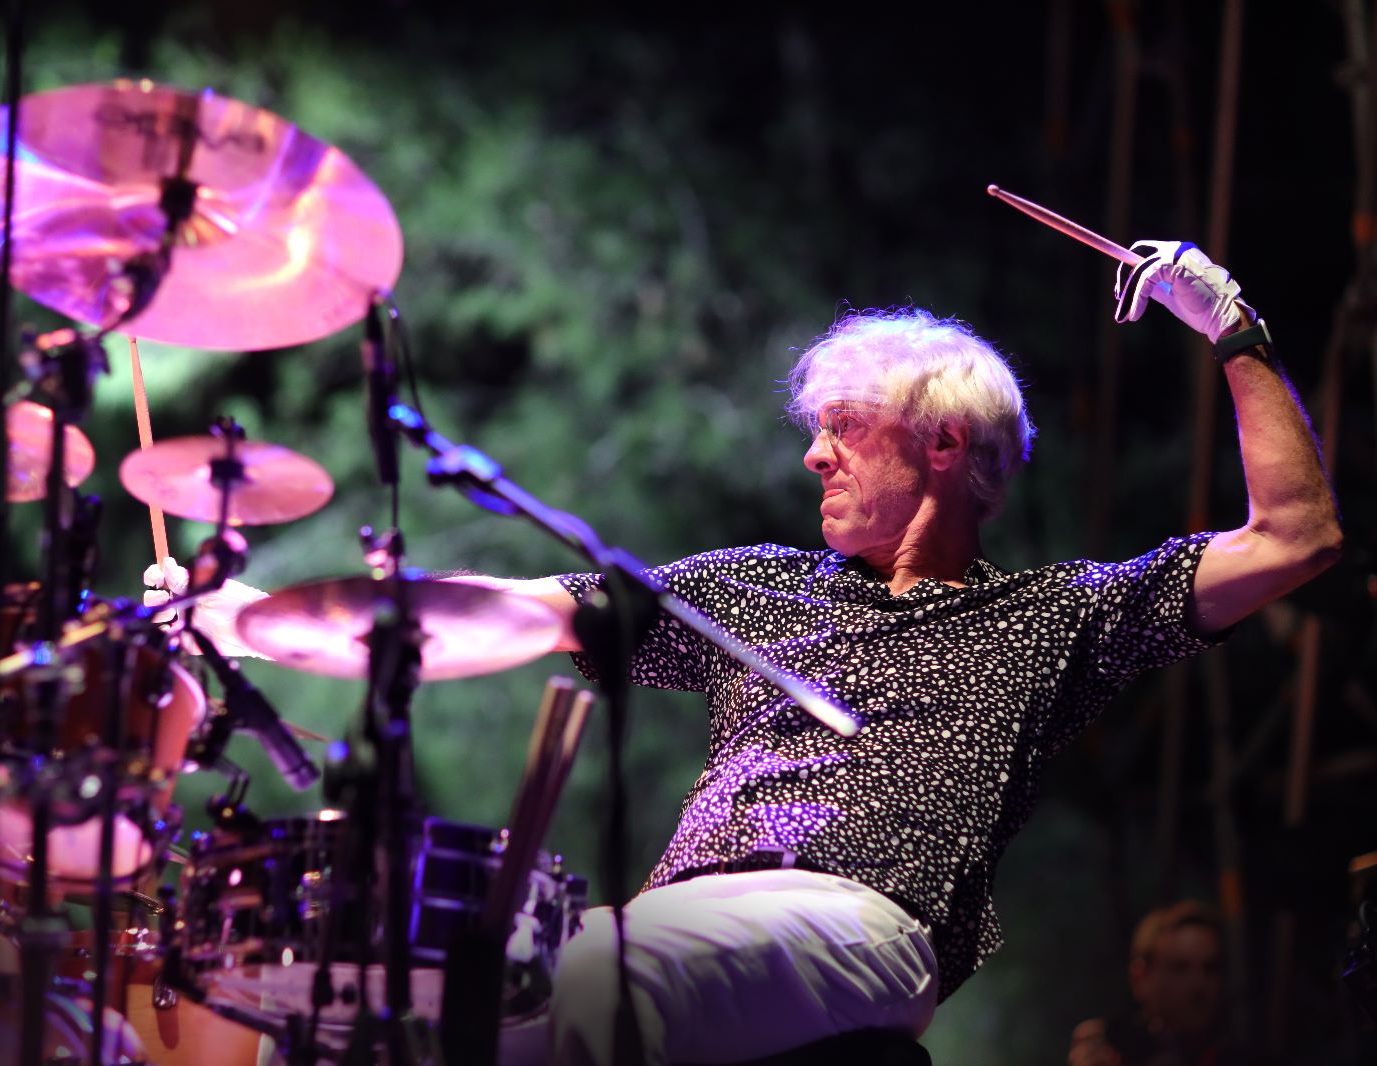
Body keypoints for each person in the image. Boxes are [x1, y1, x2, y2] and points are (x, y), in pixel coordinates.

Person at [159, 241, 1340, 1065]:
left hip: (865, 922)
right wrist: (249, 615)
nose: (815, 455)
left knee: (590, 977)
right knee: (361, 1021)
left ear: (941, 445)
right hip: (689, 920)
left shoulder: (1049, 616)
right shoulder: (759, 586)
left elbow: (1296, 537)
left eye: (845, 428)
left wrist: (1231, 329)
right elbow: (520, 610)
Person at [1068, 901, 1262, 1066]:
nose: (1198, 984)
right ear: (1140, 978)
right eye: (1179, 968)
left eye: (1211, 968)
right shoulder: (1118, 1052)